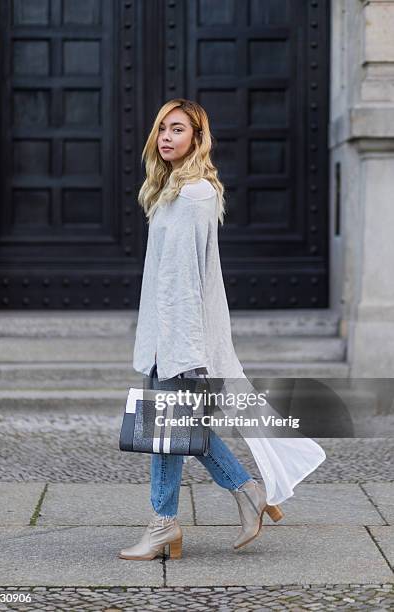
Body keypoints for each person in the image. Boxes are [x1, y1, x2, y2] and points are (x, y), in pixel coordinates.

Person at [119, 99, 326, 561]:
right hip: (166, 335)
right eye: (162, 129)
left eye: (178, 129)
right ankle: (239, 495)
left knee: (168, 432)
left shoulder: (194, 194)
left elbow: (188, 282)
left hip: (180, 337)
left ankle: (170, 523)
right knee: (171, 431)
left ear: (197, 137)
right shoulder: (170, 190)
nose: (167, 137)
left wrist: (188, 351)